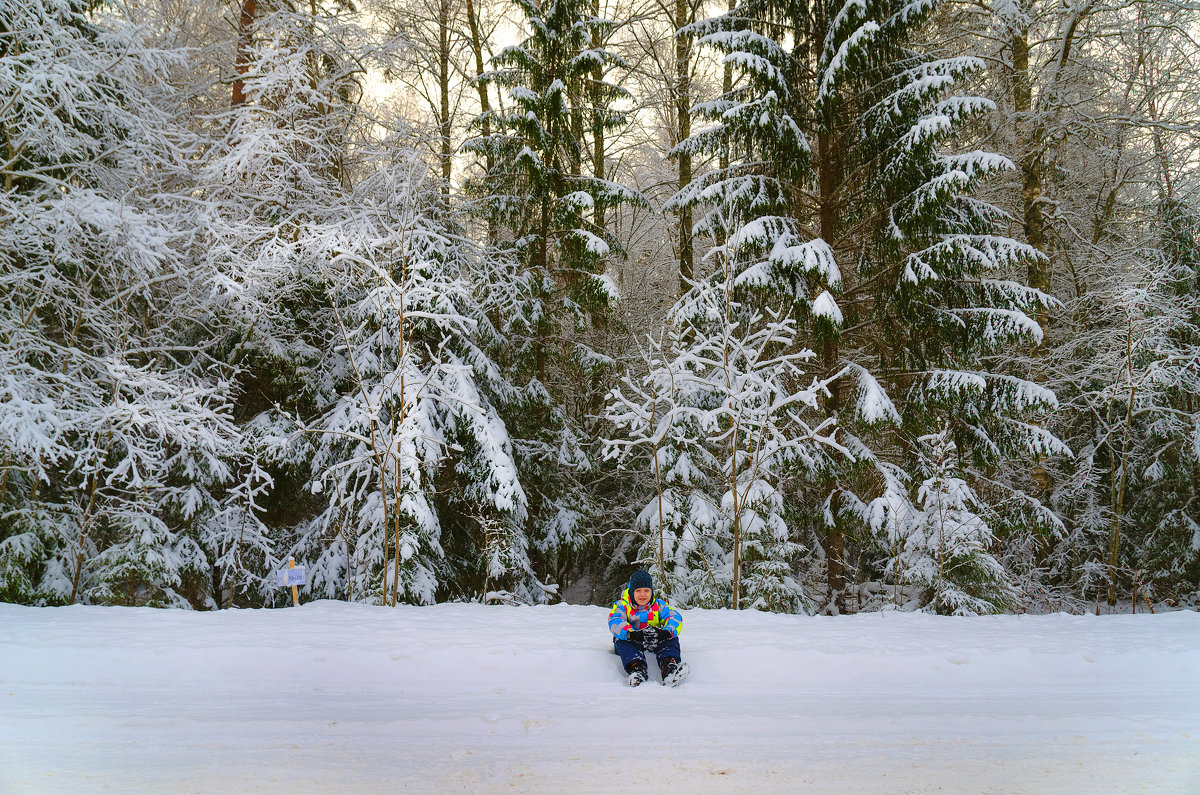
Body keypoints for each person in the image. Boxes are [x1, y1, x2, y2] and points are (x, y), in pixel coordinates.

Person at [608, 570, 689, 687]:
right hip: (633, 639)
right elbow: (615, 621)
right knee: (621, 641)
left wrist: (665, 632)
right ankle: (637, 669)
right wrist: (631, 633)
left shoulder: (659, 605)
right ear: (632, 592)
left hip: (653, 639)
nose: (642, 594)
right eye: (638, 591)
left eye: (646, 591)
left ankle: (669, 667)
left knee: (671, 638)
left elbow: (674, 617)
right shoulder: (623, 606)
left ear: (652, 591)